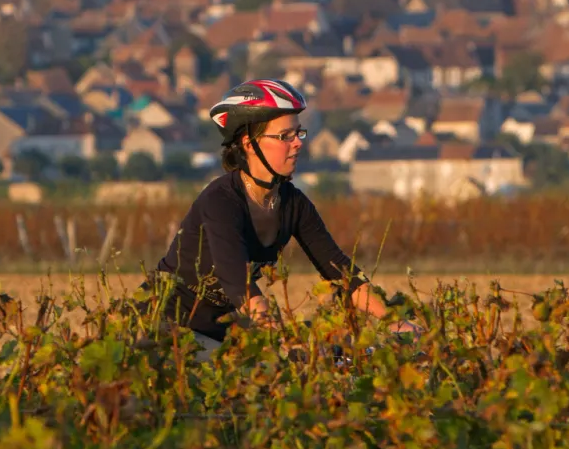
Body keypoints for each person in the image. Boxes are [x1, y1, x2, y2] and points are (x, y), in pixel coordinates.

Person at [139, 79, 419, 356]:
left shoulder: (293, 204)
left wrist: (394, 322)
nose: (297, 144)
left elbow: (342, 273)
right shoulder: (220, 201)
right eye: (286, 136)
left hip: (218, 334)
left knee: (329, 359)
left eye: (299, 133)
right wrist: (282, 338)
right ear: (249, 144)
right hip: (164, 328)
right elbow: (239, 284)